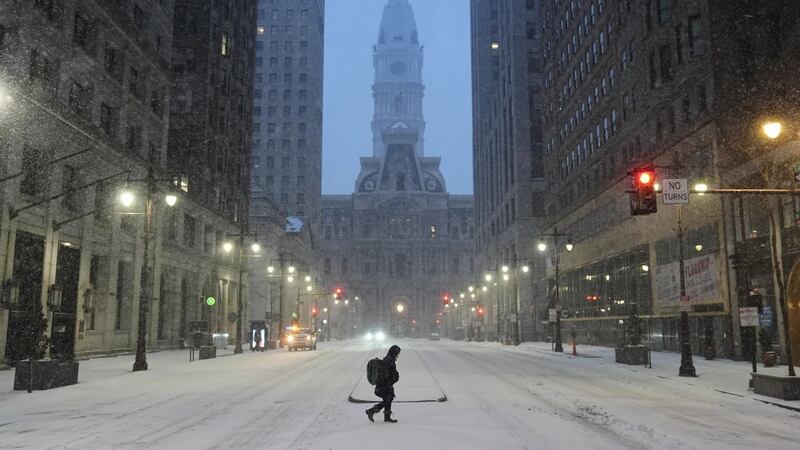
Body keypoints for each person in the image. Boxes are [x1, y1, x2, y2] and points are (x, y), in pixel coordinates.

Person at [366, 344, 401, 423]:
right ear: (394, 352)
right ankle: (371, 411)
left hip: (384, 385)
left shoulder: (388, 359)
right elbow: (386, 374)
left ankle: (387, 417)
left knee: (388, 399)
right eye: (397, 353)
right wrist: (395, 376)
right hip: (384, 385)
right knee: (388, 400)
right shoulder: (389, 361)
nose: (398, 355)